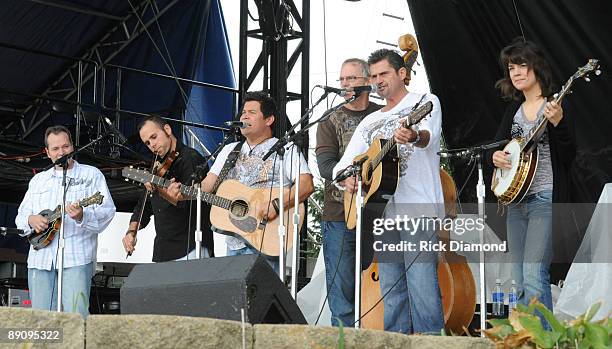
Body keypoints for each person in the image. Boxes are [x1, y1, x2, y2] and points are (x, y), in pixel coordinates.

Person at [333, 48, 445, 334]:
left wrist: (414, 135)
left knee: (422, 287)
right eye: (373, 76)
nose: (377, 80)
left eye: (383, 73)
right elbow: (342, 167)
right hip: (382, 215)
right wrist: (346, 180)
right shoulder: (369, 122)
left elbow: (428, 138)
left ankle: (432, 342)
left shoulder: (425, 102)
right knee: (392, 294)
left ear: (402, 73)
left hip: (418, 208)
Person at [490, 38, 575, 322]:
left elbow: (569, 154)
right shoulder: (511, 112)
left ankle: (545, 341)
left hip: (544, 198)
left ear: (537, 67)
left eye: (522, 65)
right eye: (511, 67)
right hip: (515, 203)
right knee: (518, 275)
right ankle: (528, 337)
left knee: (533, 272)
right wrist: (496, 157)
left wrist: (559, 123)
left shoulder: (554, 105)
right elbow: (498, 149)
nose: (515, 72)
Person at [197, 91, 314, 273]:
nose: (244, 115)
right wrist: (178, 190)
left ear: (269, 120)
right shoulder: (230, 150)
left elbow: (306, 185)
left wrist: (276, 205)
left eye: (252, 112)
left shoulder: (285, 149)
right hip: (235, 241)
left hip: (268, 238)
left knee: (264, 299)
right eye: (243, 112)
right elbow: (207, 186)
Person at [15, 126, 116, 318]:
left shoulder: (91, 175)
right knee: (41, 319)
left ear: (73, 147)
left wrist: (81, 216)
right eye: (55, 149)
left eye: (65, 146)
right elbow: (21, 217)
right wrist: (31, 219)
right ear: (47, 152)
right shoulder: (38, 180)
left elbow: (107, 212)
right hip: (40, 260)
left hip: (76, 258)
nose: (61, 152)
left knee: (76, 317)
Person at [315, 58, 381, 327]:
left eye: (351, 79)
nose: (345, 84)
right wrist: (346, 179)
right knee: (341, 289)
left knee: (382, 284)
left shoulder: (383, 114)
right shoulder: (330, 120)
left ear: (367, 81)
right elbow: (325, 165)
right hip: (340, 213)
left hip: (380, 211)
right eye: (342, 79)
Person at [122, 116, 214, 262]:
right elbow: (143, 206)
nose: (152, 145)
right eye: (147, 142)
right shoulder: (157, 166)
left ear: (167, 129)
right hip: (163, 249)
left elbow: (185, 202)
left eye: (154, 137)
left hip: (189, 247)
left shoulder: (190, 158)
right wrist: (131, 232)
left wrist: (158, 189)